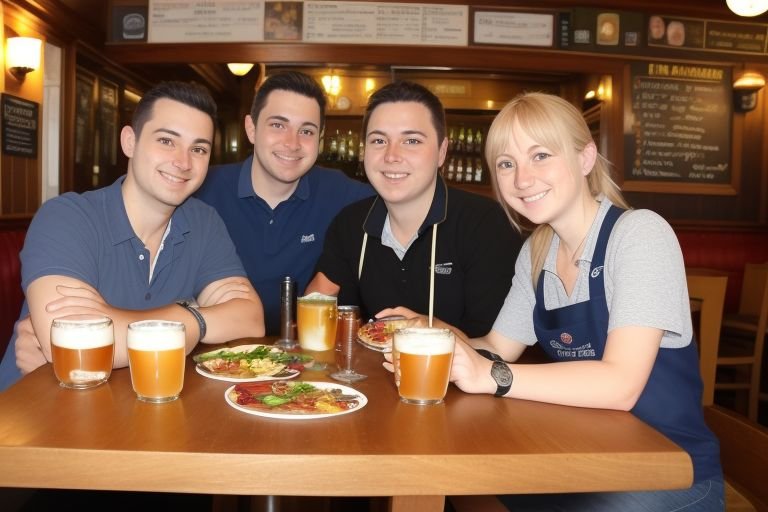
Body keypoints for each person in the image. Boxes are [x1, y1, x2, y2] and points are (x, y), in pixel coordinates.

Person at [386, 92, 723, 510]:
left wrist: (496, 377)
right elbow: (495, 348)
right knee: (463, 485)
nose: (522, 179)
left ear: (585, 159)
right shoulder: (537, 252)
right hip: (580, 455)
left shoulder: (639, 234)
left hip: (669, 471)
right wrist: (430, 331)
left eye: (540, 155)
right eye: (506, 164)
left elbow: (620, 385)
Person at [0, 81, 265, 391]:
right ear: (130, 141)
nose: (183, 161)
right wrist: (195, 318)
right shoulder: (67, 216)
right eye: (167, 141)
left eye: (198, 148)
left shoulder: (204, 221)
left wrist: (181, 320)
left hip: (136, 412)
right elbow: (78, 351)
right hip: (34, 422)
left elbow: (250, 319)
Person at [306, 81, 523, 337]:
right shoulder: (350, 225)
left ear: (442, 151)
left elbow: (494, 348)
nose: (391, 156)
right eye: (378, 140)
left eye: (411, 140)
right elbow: (327, 315)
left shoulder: (486, 225)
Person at [195, 71, 373, 335]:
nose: (293, 143)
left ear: (320, 140)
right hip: (218, 354)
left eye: (307, 131)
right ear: (251, 128)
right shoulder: (202, 189)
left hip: (307, 357)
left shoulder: (341, 192)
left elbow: (405, 204)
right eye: (278, 125)